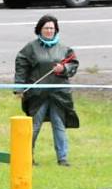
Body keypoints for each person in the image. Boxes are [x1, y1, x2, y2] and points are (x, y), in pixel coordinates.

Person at [14, 15, 80, 167]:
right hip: (37, 95)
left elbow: (73, 65)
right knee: (34, 127)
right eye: (46, 28)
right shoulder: (30, 48)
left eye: (52, 28)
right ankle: (27, 157)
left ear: (56, 30)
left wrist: (64, 68)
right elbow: (21, 67)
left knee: (59, 125)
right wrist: (19, 88)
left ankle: (62, 158)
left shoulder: (65, 49)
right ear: (40, 29)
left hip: (59, 94)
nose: (49, 31)